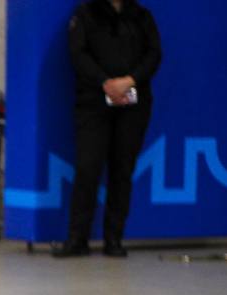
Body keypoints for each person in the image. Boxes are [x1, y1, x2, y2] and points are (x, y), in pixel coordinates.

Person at [53, 0, 161, 258]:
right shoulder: (84, 14)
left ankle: (114, 239)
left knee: (122, 170)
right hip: (93, 102)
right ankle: (77, 238)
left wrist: (129, 80)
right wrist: (105, 82)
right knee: (87, 168)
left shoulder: (142, 16)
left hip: (133, 102)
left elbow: (154, 54)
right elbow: (78, 54)